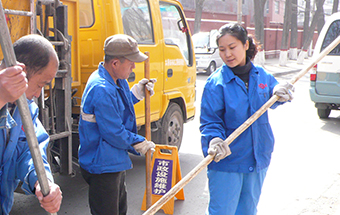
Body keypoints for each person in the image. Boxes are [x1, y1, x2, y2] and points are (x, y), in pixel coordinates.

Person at [200, 23, 294, 215]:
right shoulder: (216, 83)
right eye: (222, 50)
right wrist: (214, 139)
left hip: (257, 157)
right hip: (228, 160)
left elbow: (273, 96)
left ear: (245, 45)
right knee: (222, 212)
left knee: (247, 211)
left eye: (232, 47)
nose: (227, 54)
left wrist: (280, 92)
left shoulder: (262, 75)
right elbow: (210, 120)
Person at [78, 34, 156, 215]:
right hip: (103, 164)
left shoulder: (114, 79)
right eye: (130, 63)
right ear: (115, 63)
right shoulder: (101, 88)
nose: (134, 67)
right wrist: (138, 141)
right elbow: (113, 132)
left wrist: (137, 92)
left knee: (120, 211)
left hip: (113, 160)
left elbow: (118, 105)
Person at [0, 34, 63, 214]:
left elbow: (30, 150)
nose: (38, 94)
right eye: (41, 84)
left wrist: (42, 181)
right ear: (21, 71)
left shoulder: (26, 109)